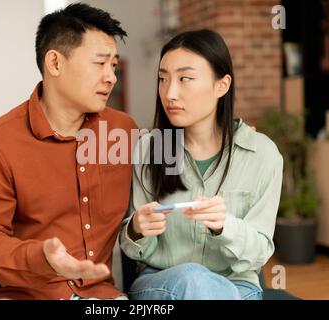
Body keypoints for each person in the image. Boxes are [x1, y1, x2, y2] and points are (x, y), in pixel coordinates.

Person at [0, 3, 137, 300]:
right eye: (99, 64)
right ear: (55, 63)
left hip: (99, 295)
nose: (111, 77)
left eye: (113, 65)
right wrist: (41, 257)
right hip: (20, 294)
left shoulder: (123, 132)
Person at [119, 29, 283, 300]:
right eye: (163, 79)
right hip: (162, 283)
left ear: (222, 85)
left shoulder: (263, 155)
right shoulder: (150, 150)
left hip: (237, 287)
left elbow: (260, 253)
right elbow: (136, 251)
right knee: (193, 280)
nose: (170, 92)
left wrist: (225, 227)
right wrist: (136, 228)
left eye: (185, 78)